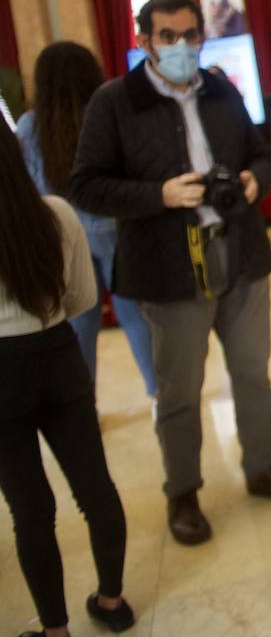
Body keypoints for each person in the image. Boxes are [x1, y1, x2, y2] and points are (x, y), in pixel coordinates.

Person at [70, 0, 271, 548]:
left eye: (190, 35)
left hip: (239, 250)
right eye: (168, 37)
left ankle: (263, 466)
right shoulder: (115, 102)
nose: (182, 47)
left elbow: (257, 150)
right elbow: (86, 185)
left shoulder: (220, 86)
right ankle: (182, 491)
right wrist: (158, 193)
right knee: (180, 389)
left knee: (253, 371)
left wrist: (254, 179)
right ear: (144, 41)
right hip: (167, 263)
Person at [0, 122, 136, 637]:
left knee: (30, 510)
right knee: (96, 489)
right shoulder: (55, 215)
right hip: (58, 356)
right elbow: (82, 300)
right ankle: (112, 600)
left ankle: (54, 630)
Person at [15, 42, 156, 398]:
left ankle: (83, 400)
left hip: (61, 233)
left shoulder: (30, 125)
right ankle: (158, 391)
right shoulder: (107, 109)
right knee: (134, 313)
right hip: (111, 225)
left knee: (80, 319)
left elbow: (30, 187)